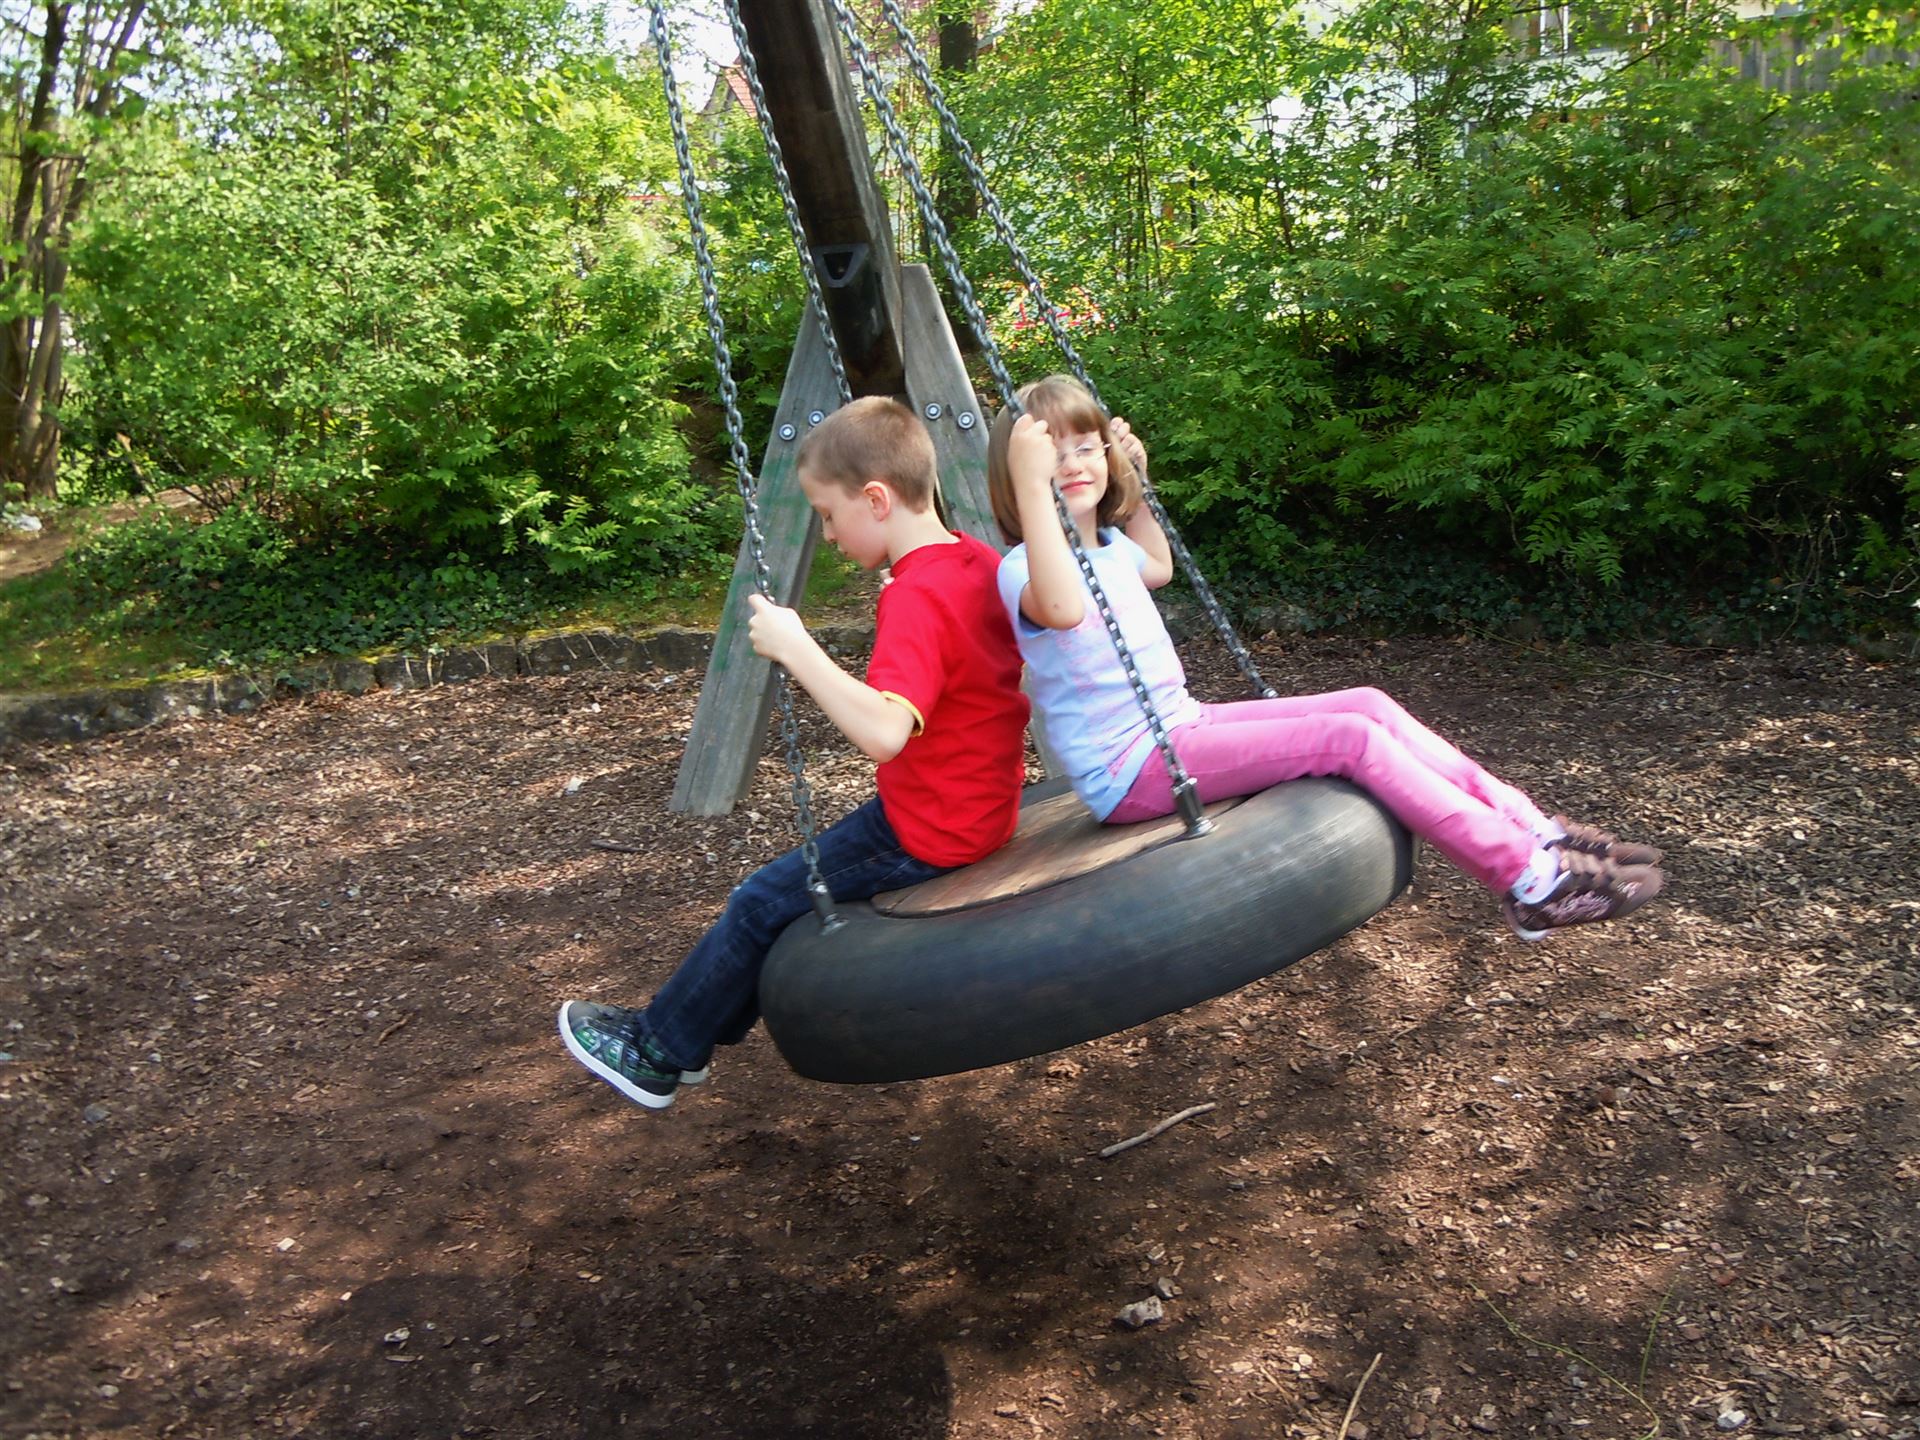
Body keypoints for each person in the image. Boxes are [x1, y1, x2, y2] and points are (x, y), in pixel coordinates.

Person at [986, 374, 1666, 941]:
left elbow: (1157, 566)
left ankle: (1534, 832)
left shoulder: (1109, 546)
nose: (1072, 464)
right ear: (1022, 475)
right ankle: (1528, 882)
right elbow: (1064, 607)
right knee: (1348, 741)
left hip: (1180, 722)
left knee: (1368, 705)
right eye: (1053, 456)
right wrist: (1031, 484)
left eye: (1087, 447)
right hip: (1131, 768)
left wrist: (1139, 482)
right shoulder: (1024, 571)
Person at [560, 397, 1030, 1109]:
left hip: (931, 830)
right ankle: (691, 1035)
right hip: (981, 805)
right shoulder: (973, 558)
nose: (828, 534)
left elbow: (883, 734)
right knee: (777, 896)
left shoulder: (916, 596)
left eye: (828, 514)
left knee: (759, 901)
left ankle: (658, 1052)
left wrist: (797, 647)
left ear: (877, 499)